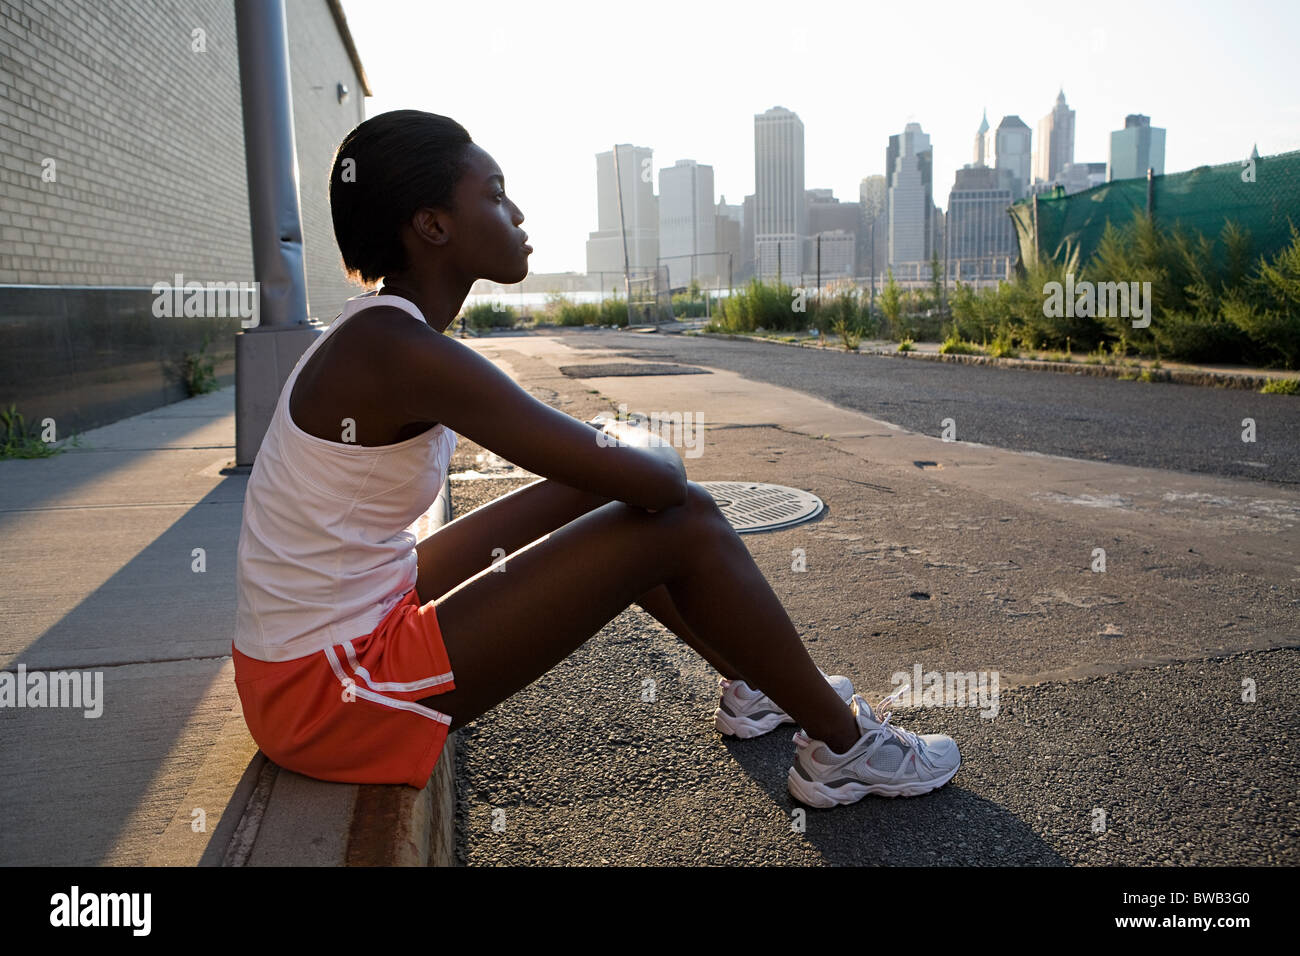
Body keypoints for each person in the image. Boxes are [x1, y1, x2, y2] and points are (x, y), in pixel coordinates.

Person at [230, 109, 960, 809]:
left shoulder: (377, 335)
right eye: (494, 194)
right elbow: (658, 476)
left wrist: (611, 459)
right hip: (329, 695)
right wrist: (629, 441)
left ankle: (753, 681)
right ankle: (846, 747)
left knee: (617, 500)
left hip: (310, 658)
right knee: (684, 518)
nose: (517, 214)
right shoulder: (403, 352)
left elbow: (607, 475)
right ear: (432, 225)